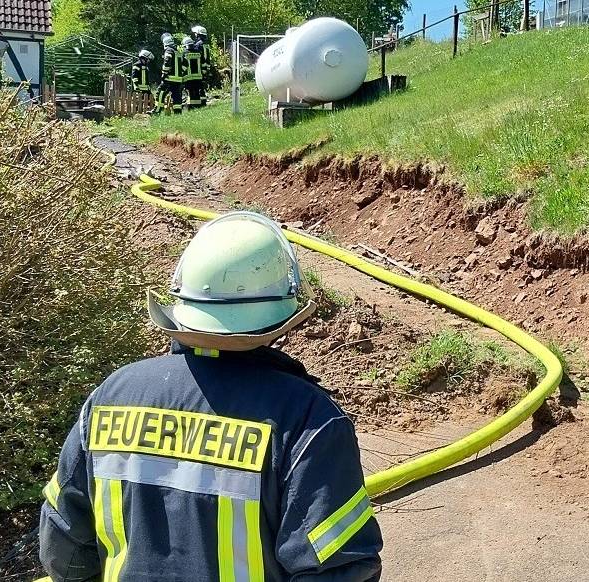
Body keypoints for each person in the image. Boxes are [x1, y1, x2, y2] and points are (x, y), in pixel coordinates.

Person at [38, 212, 384, 581]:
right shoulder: (305, 418)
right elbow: (337, 568)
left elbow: (64, 543)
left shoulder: (112, 395)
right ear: (283, 311)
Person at [157, 33, 184, 114]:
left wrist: (164, 73)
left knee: (161, 92)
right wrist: (180, 72)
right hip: (178, 79)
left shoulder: (168, 50)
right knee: (177, 95)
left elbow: (167, 62)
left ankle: (157, 110)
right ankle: (178, 112)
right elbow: (185, 63)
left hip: (169, 78)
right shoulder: (177, 52)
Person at [182, 35, 205, 110]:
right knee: (197, 91)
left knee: (191, 92)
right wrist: (204, 72)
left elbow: (182, 65)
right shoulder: (199, 52)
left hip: (188, 77)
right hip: (198, 76)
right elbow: (203, 63)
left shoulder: (184, 53)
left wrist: (181, 74)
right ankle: (198, 106)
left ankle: (191, 107)